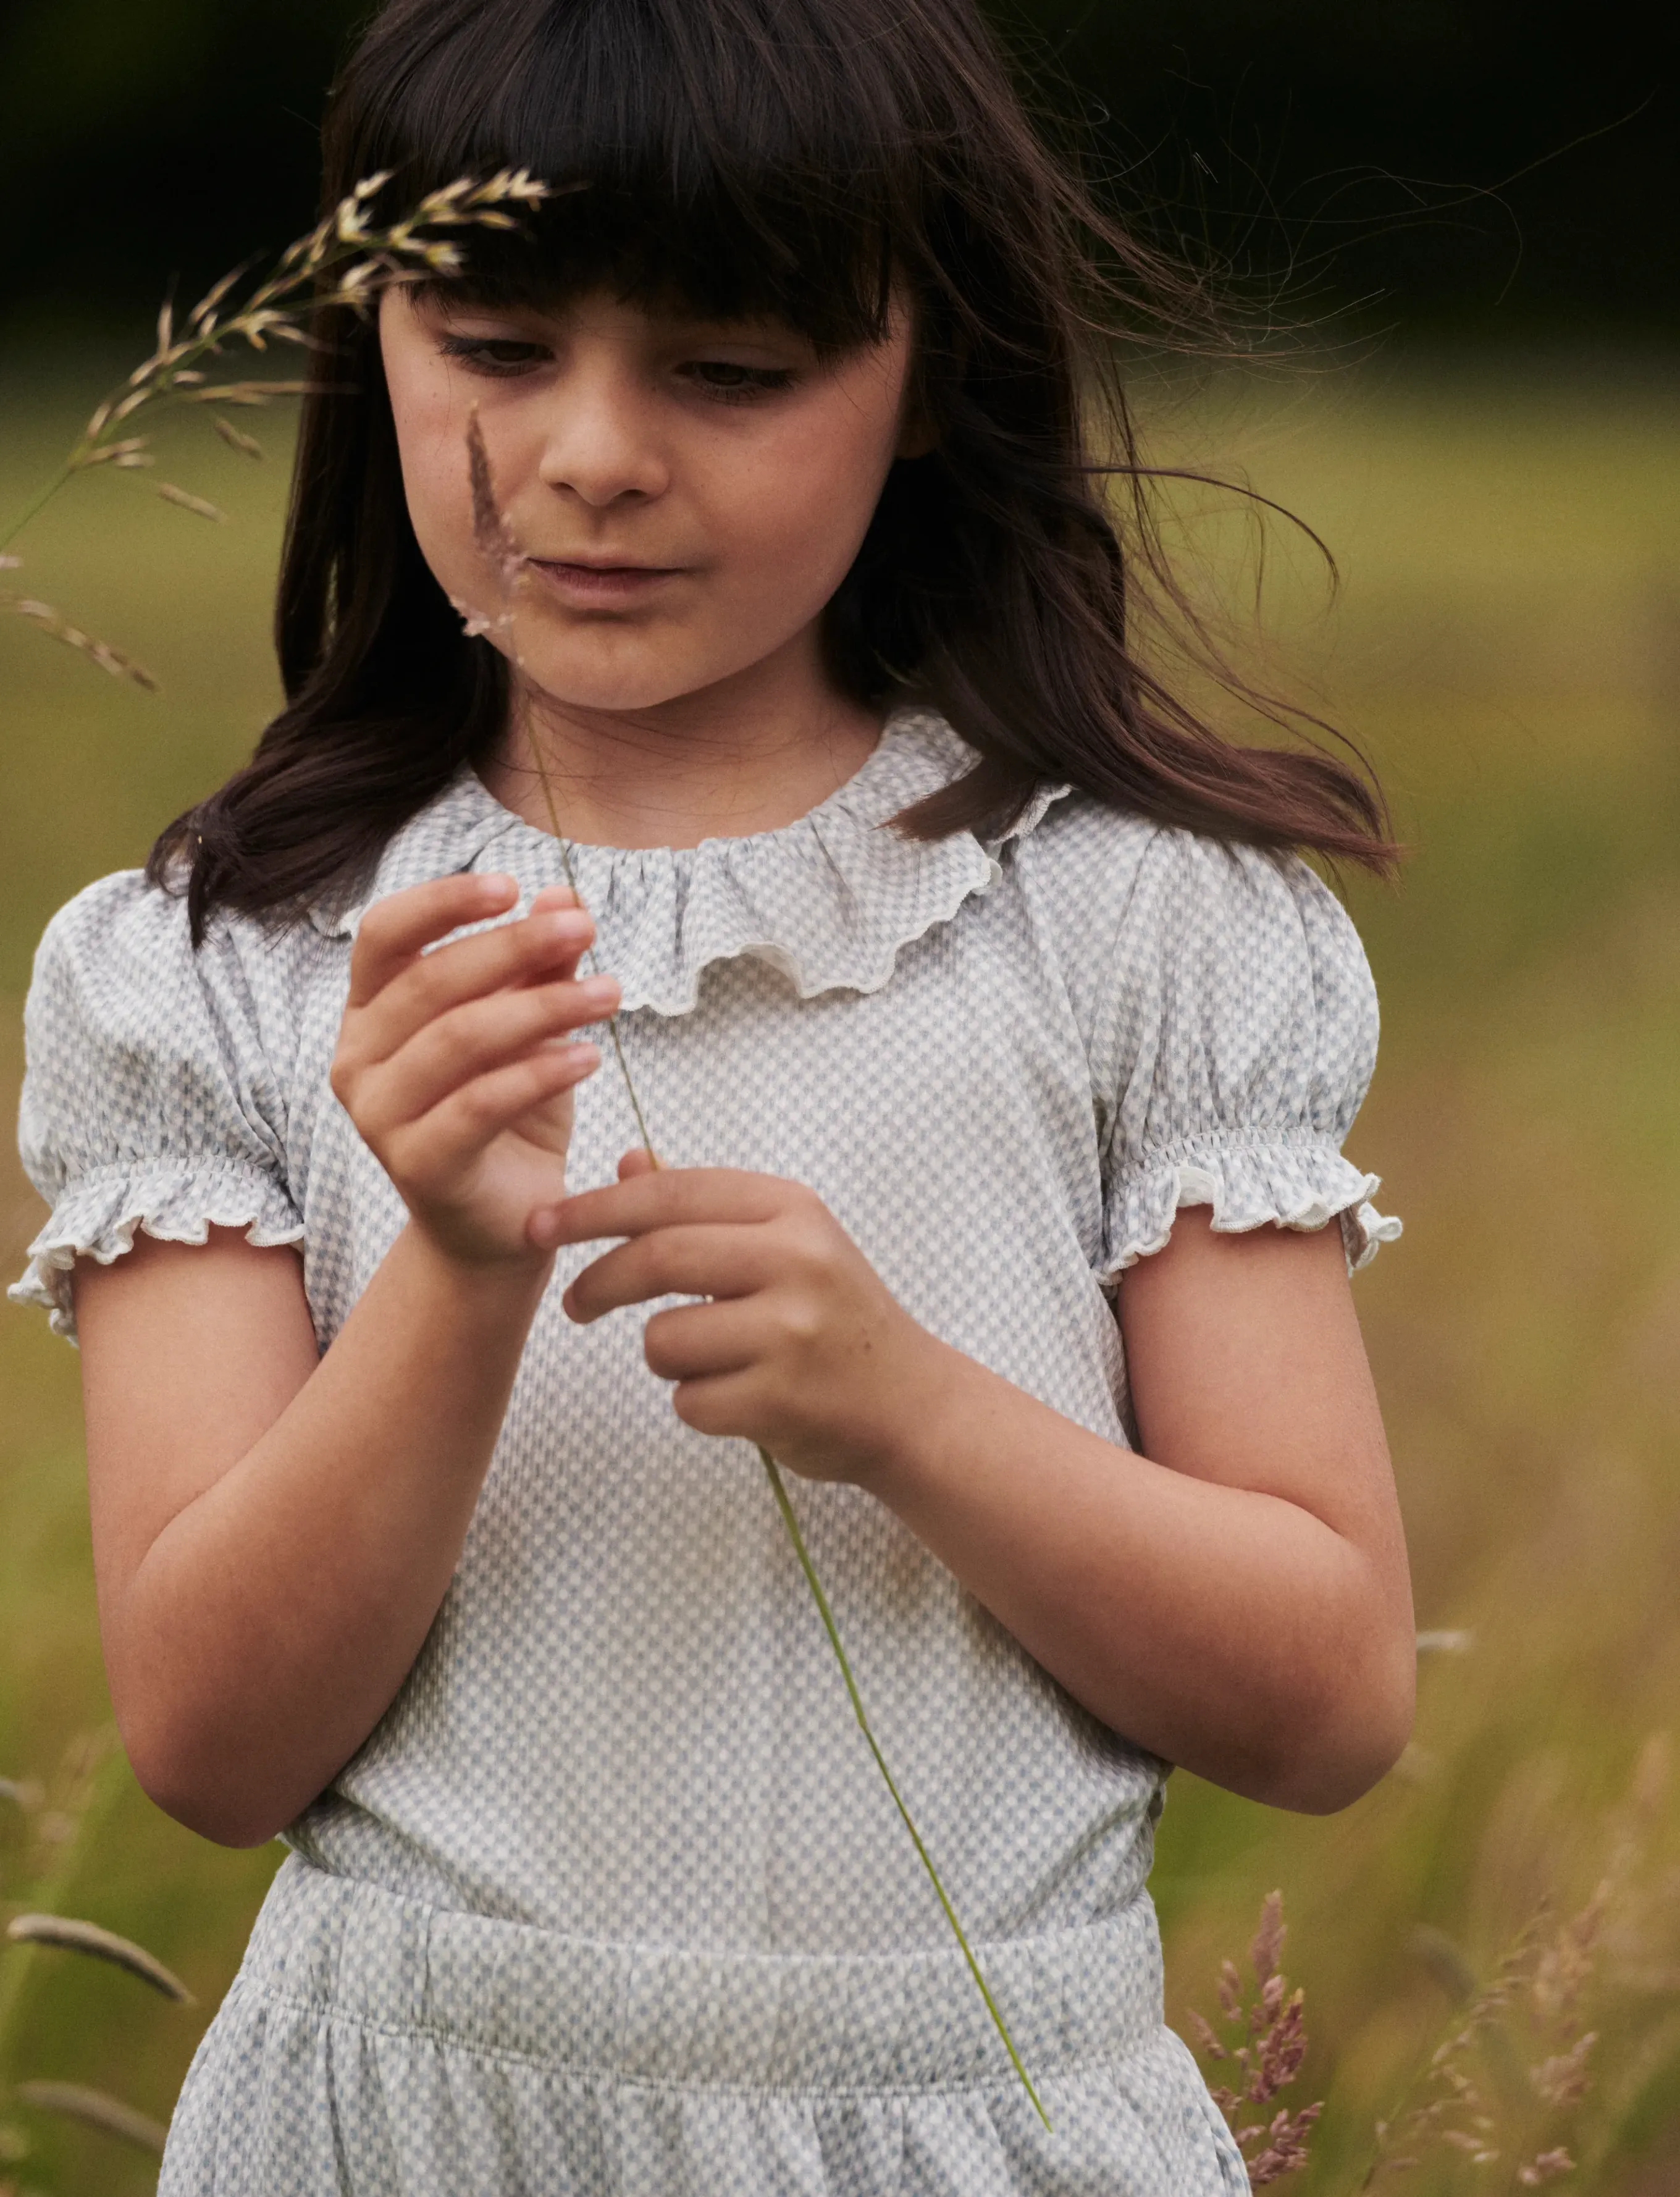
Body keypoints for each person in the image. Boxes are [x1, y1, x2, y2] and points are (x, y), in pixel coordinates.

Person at [12, 0, 1416, 2186]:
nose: (591, 453)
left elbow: (1328, 1697)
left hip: (990, 2128)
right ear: (370, 328)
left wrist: (911, 1405)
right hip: (405, 2123)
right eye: (492, 344)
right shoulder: (222, 960)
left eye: (732, 371)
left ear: (929, 372)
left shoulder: (1139, 925)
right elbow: (207, 1737)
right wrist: (458, 1270)